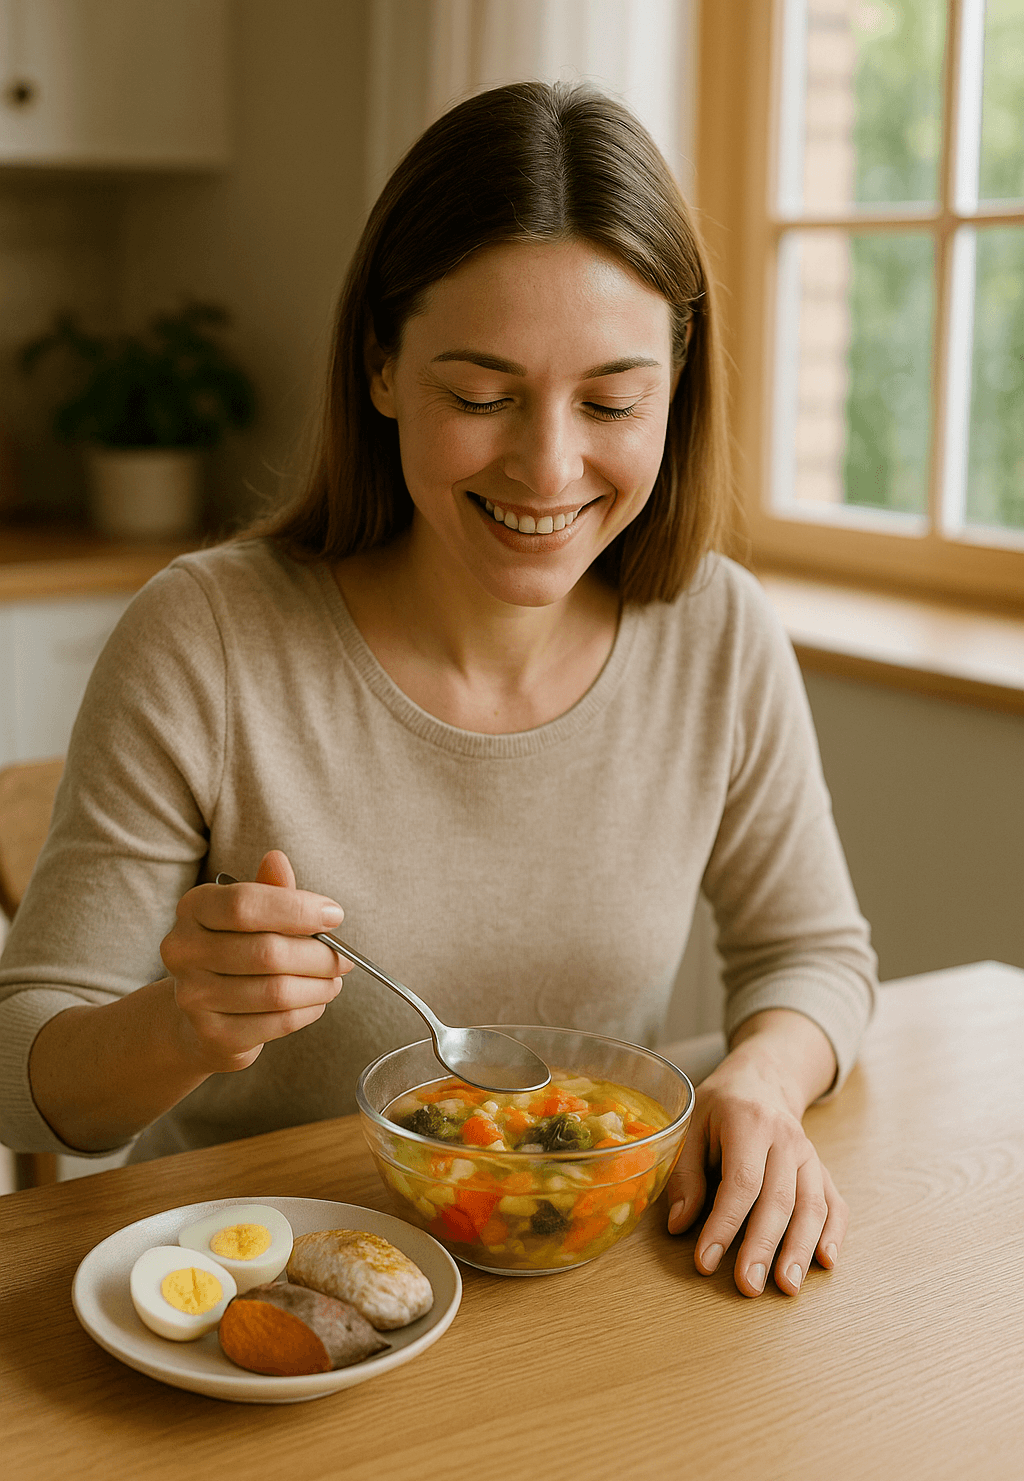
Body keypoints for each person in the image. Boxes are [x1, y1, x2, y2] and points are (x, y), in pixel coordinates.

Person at [0, 82, 875, 1298]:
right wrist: (180, 1024)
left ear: (675, 389)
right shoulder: (205, 635)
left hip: (580, 1290)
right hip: (268, 1308)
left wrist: (758, 1078)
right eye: (480, 396)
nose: (549, 466)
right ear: (379, 369)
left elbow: (814, 954)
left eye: (612, 401)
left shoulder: (715, 630)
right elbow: (27, 1071)